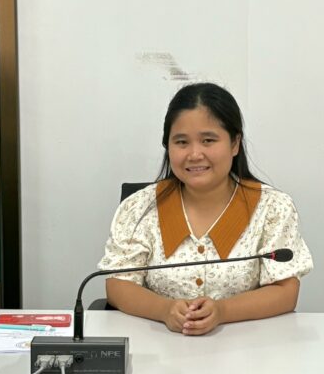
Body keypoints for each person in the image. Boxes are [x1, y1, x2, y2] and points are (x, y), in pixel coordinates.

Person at [99, 82, 313, 335]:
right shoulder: (139, 208)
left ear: (235, 143)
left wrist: (223, 311)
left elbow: (285, 292)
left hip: (250, 348)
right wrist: (164, 310)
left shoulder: (272, 208)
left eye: (208, 140)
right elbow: (118, 284)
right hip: (160, 347)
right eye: (181, 142)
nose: (194, 154)